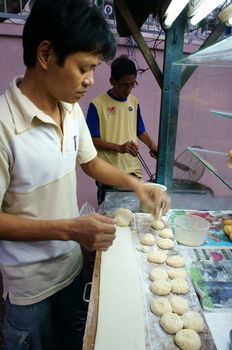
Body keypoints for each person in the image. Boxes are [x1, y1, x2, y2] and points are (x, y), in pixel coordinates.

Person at [0, 1, 170, 350]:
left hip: (72, 269)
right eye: (83, 67)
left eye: (94, 68)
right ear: (46, 54)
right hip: (31, 290)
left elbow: (91, 163)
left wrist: (137, 185)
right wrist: (69, 229)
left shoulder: (71, 110)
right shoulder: (4, 127)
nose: (90, 80)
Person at [86, 55, 159, 204]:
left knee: (132, 214)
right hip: (108, 173)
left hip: (133, 171)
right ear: (113, 81)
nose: (128, 89)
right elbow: (92, 139)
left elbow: (140, 130)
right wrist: (119, 147)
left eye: (132, 84)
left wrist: (151, 144)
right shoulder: (97, 104)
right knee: (110, 214)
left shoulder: (133, 102)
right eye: (124, 85)